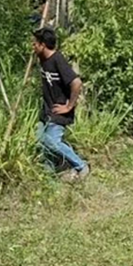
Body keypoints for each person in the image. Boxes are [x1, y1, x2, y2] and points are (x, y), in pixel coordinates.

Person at [32, 27, 89, 181]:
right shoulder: (42, 59)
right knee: (40, 141)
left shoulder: (58, 60)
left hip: (59, 111)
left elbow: (76, 83)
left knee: (52, 142)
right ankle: (48, 175)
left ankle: (81, 165)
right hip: (46, 111)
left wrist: (69, 106)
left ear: (43, 45)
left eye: (35, 44)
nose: (33, 46)